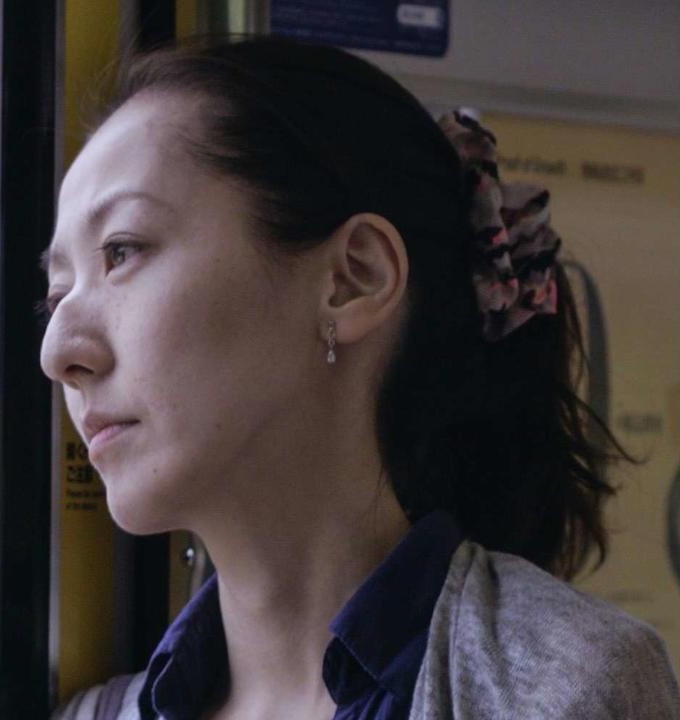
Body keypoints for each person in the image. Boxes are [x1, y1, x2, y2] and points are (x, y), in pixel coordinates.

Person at [39, 36, 680, 720]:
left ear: (353, 279)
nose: (57, 353)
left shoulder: (559, 694)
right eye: (55, 296)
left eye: (122, 251)